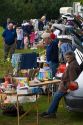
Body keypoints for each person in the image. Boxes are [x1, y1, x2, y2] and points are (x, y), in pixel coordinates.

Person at [40, 51, 81, 118]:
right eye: (66, 57)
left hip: (66, 87)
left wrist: (68, 89)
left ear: (72, 56)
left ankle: (50, 113)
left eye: (68, 57)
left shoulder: (72, 66)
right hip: (64, 85)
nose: (66, 59)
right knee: (56, 97)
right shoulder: (72, 63)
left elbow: (72, 80)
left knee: (56, 97)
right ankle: (50, 112)